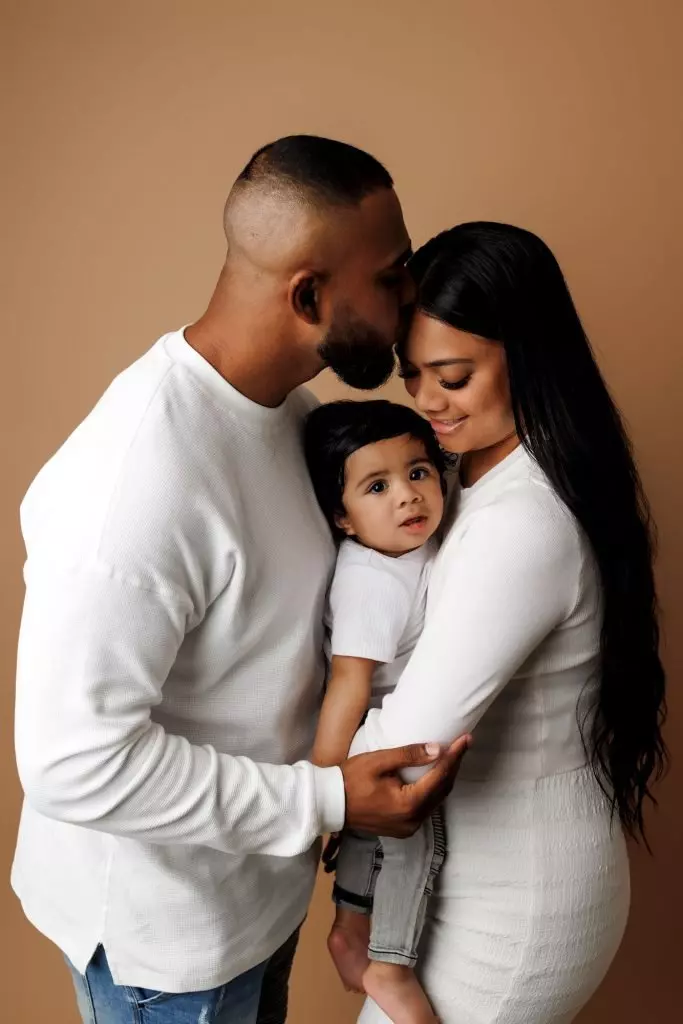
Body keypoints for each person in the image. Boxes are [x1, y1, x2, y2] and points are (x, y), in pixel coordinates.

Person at [11, 136, 468, 1024]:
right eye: (392, 273)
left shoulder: (284, 412)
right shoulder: (136, 482)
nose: (411, 294)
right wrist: (330, 797)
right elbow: (73, 763)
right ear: (308, 295)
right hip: (165, 953)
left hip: (251, 901)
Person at [349, 222, 667, 1024]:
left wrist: (291, 751)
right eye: (410, 372)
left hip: (510, 905)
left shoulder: (519, 523)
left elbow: (410, 749)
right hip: (465, 875)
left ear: (526, 356)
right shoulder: (465, 474)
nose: (424, 400)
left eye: (452, 376)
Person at [305, 399, 448, 1024]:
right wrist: (325, 789)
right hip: (370, 734)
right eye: (378, 486)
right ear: (343, 516)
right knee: (407, 836)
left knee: (372, 844)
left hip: (381, 727)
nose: (407, 498)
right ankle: (388, 959)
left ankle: (349, 929)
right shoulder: (371, 581)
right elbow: (347, 684)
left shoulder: (402, 549)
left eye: (418, 473)